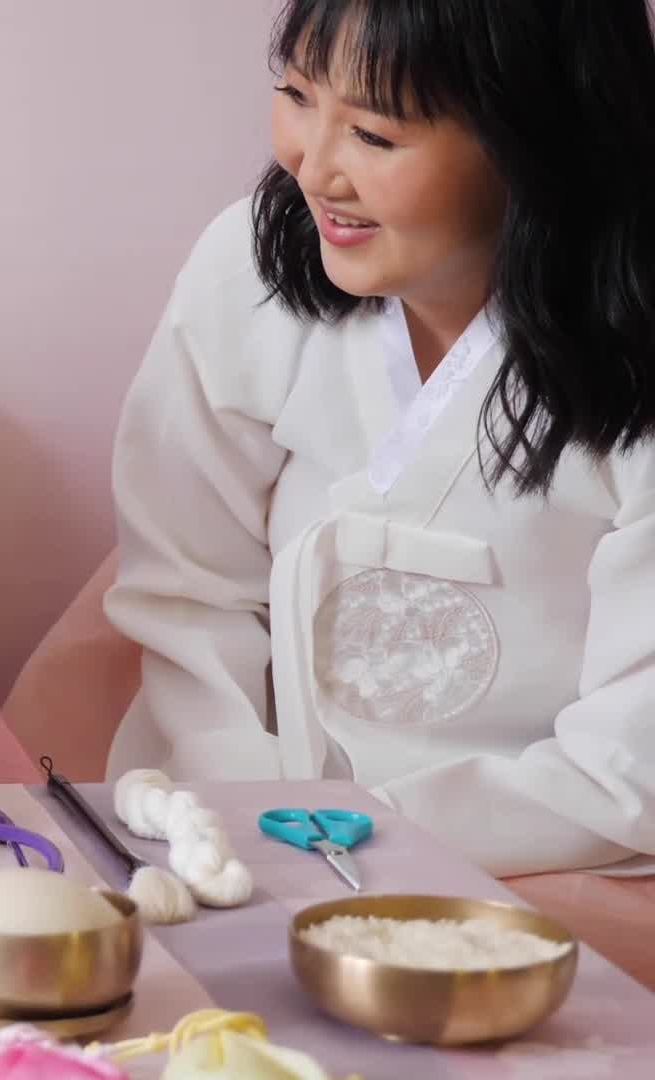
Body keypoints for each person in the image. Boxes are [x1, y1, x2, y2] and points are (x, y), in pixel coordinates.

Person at [105, 0, 655, 881]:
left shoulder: (633, 361)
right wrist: (245, 811)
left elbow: (634, 760)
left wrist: (349, 836)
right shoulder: (246, 272)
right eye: (295, 94)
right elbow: (186, 591)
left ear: (531, 139)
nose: (313, 167)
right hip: (222, 830)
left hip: (548, 865)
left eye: (374, 135)